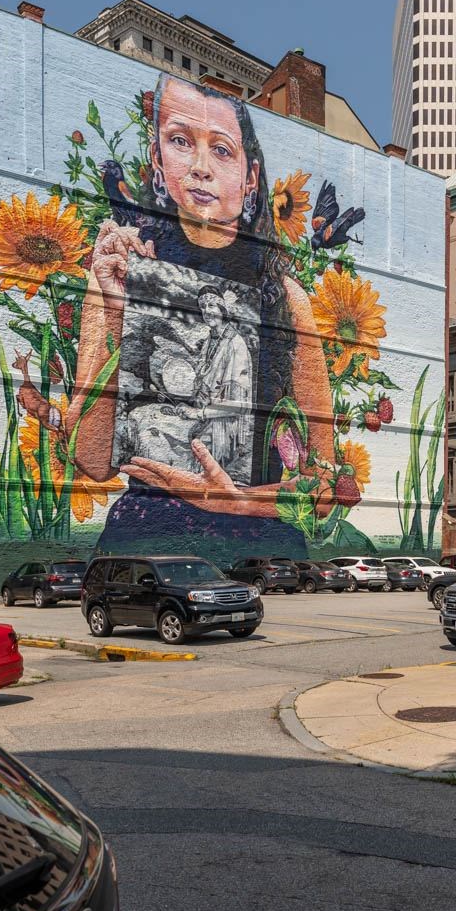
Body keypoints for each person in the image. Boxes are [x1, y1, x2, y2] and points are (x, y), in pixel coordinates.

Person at [65, 74, 335, 555]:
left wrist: (235, 502)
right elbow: (92, 459)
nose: (200, 168)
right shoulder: (123, 272)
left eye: (223, 150)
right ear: (158, 158)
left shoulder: (286, 299)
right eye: (181, 142)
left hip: (263, 561)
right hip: (146, 550)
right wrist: (115, 316)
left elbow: (326, 486)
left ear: (251, 176)